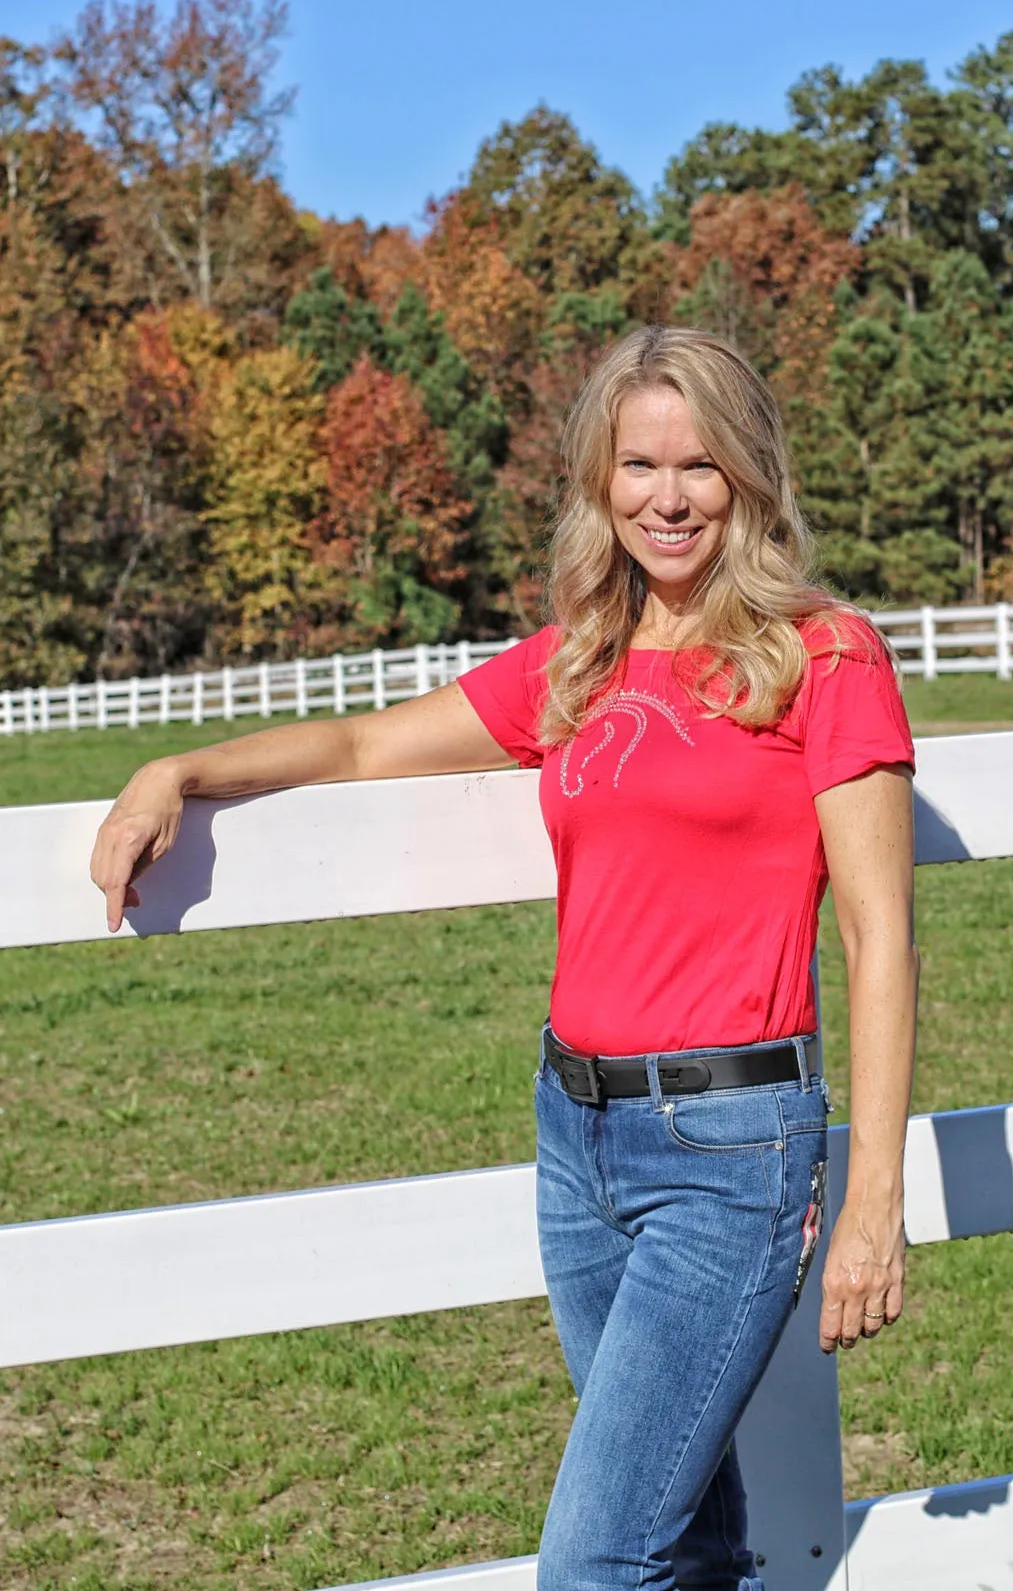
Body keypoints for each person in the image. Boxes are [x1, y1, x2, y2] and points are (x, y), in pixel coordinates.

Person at [91, 325, 918, 1591]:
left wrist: (871, 1204)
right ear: (601, 481)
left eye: (699, 465)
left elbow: (878, 934)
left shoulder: (824, 656)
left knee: (593, 1562)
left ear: (748, 475)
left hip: (730, 1148)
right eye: (638, 465)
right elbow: (367, 748)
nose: (669, 497)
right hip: (574, 1135)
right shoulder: (580, 659)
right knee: (683, 1539)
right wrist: (181, 770)